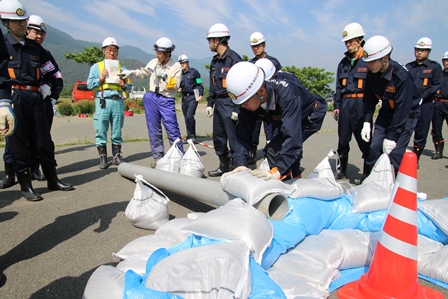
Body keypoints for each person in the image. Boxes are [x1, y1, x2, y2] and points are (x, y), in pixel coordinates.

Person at [1, 0, 73, 201]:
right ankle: (26, 186)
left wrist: (48, 88)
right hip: (14, 96)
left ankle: (52, 179)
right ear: (6, 22)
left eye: (24, 21)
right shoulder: (3, 46)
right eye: (17, 22)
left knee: (43, 141)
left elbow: (52, 71)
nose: (22, 25)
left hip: (35, 97)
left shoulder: (36, 48)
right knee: (17, 143)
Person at [227, 61, 327, 180]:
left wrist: (278, 170)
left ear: (261, 91)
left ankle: (292, 182)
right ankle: (288, 177)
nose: (242, 107)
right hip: (284, 114)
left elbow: (292, 138)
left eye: (245, 102)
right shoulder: (248, 101)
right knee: (273, 149)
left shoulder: (288, 95)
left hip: (310, 115)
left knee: (278, 149)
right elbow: (243, 135)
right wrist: (241, 163)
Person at [360, 35, 421, 182]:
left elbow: (402, 111)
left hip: (407, 116)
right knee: (374, 148)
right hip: (387, 112)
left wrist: (391, 137)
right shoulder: (371, 74)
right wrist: (367, 122)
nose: (369, 65)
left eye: (372, 62)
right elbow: (369, 100)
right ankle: (368, 181)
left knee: (396, 152)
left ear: (385, 58)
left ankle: (400, 186)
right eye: (367, 62)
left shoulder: (401, 77)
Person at [118, 37, 183, 168]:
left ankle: (179, 158)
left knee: (172, 129)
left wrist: (163, 77)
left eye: (160, 53)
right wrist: (131, 72)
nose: (157, 55)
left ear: (168, 53)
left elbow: (174, 86)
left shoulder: (176, 67)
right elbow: (143, 72)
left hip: (166, 99)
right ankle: (158, 157)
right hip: (152, 97)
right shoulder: (154, 62)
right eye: (157, 52)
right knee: (153, 129)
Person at [26, 14, 64, 181]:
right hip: (20, 98)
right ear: (26, 30)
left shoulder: (44, 53)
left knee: (41, 139)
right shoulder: (14, 48)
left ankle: (36, 169)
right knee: (17, 138)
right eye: (35, 32)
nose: (39, 36)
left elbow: (57, 76)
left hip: (41, 101)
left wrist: (51, 96)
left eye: (42, 33)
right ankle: (12, 172)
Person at [333, 22, 370, 181]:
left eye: (351, 41)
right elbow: (338, 87)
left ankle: (368, 173)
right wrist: (337, 106)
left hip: (362, 105)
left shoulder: (368, 60)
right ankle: (341, 170)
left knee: (365, 142)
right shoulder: (343, 63)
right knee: (343, 141)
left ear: (360, 39)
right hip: (345, 105)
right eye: (346, 42)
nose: (348, 45)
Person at [87, 37, 131, 169]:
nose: (112, 53)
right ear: (104, 51)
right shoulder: (97, 67)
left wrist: (123, 85)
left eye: (114, 50)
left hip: (117, 100)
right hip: (103, 100)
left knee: (117, 129)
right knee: (101, 129)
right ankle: (103, 157)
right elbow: (89, 84)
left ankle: (117, 156)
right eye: (109, 50)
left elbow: (129, 86)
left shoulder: (122, 68)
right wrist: (101, 78)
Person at [205, 23, 242, 177]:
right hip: (219, 103)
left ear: (217, 40)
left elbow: (242, 86)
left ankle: (237, 168)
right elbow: (213, 85)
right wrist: (209, 103)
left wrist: (237, 109)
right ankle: (223, 165)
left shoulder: (234, 59)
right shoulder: (215, 61)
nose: (209, 43)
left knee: (234, 138)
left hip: (231, 102)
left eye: (210, 40)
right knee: (218, 137)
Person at [405, 37, 442, 166]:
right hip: (410, 104)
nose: (419, 52)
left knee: (421, 132)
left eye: (422, 50)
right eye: (417, 50)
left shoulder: (434, 67)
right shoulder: (408, 67)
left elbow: (436, 85)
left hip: (425, 104)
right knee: (405, 129)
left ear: (428, 52)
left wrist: (422, 97)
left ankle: (416, 159)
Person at [248, 32, 282, 164]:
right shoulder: (250, 64)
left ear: (264, 45)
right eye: (253, 46)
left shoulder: (273, 62)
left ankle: (272, 153)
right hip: (255, 102)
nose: (256, 48)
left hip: (270, 101)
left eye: (258, 45)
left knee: (271, 129)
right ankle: (252, 152)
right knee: (254, 128)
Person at [177, 54, 204, 143]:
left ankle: (192, 136)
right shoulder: (179, 74)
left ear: (187, 63)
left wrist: (200, 95)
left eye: (183, 63)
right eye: (180, 63)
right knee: (186, 118)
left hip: (193, 96)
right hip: (184, 97)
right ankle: (189, 136)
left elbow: (199, 84)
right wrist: (178, 89)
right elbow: (177, 86)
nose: (182, 65)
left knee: (190, 116)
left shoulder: (194, 72)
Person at [431, 51, 448, 159]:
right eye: (446, 61)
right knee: (436, 129)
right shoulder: (438, 75)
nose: (447, 63)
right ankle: (438, 151)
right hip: (438, 103)